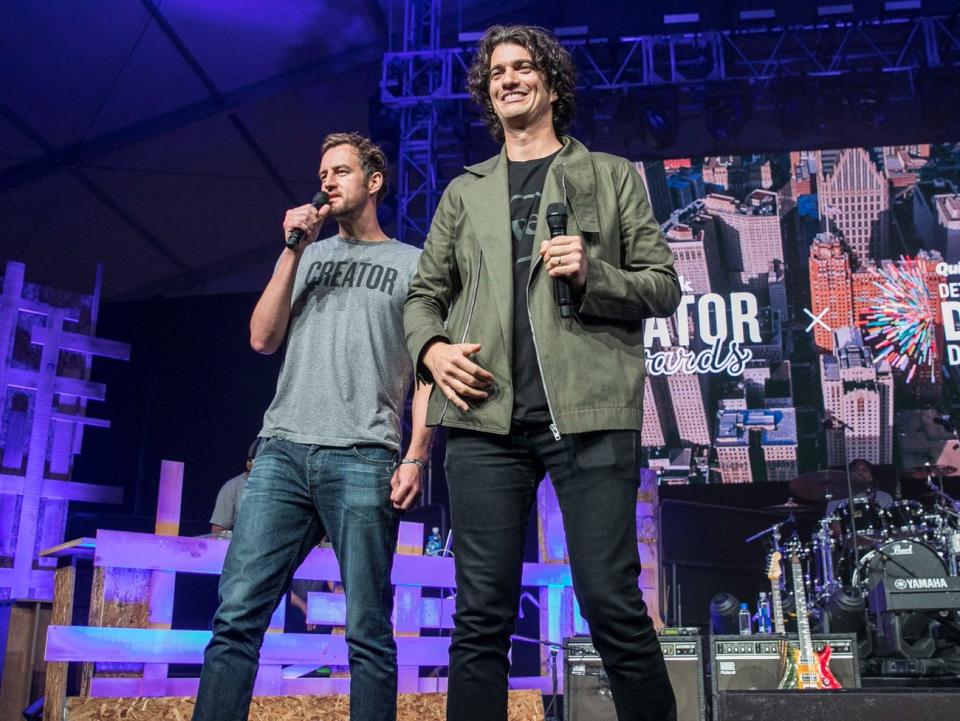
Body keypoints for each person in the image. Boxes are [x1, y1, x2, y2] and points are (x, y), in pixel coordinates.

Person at [403, 24, 680, 721]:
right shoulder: (464, 192)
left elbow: (663, 286)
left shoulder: (609, 175)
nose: (508, 78)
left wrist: (595, 274)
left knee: (610, 598)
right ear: (487, 94)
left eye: (523, 67)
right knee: (480, 616)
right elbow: (422, 295)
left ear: (552, 85)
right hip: (482, 417)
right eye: (496, 71)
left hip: (588, 412)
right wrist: (432, 350)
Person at [192, 132, 433, 721]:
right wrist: (293, 249)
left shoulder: (412, 263)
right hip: (281, 453)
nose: (327, 181)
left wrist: (416, 455)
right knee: (236, 616)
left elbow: (429, 370)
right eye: (323, 172)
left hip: (364, 455)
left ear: (373, 182)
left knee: (368, 630)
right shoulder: (309, 255)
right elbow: (261, 337)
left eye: (341, 171)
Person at [209, 438, 259, 535]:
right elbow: (217, 533)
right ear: (250, 463)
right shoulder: (232, 487)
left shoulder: (283, 487)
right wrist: (239, 536)